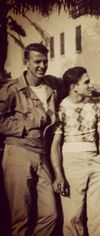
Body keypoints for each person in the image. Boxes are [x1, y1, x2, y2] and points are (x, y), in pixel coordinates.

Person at [0, 43, 58, 236]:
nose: (42, 65)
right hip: (18, 152)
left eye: (45, 61)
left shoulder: (52, 87)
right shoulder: (13, 89)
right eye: (37, 61)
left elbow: (77, 85)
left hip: (43, 155)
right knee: (21, 218)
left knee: (50, 214)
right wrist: (27, 124)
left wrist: (98, 93)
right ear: (26, 63)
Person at [50, 66, 100, 236]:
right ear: (73, 87)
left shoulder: (96, 104)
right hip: (71, 162)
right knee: (72, 217)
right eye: (86, 82)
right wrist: (59, 174)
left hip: (95, 159)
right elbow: (56, 143)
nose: (91, 85)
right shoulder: (61, 108)